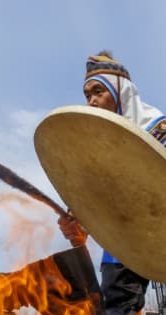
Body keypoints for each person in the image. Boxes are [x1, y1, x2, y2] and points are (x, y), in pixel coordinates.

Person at [58, 51, 166, 315]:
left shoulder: (158, 129)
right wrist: (76, 222)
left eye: (98, 92)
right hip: (123, 240)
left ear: (121, 92)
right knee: (117, 308)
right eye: (87, 96)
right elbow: (95, 203)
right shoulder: (94, 151)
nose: (92, 101)